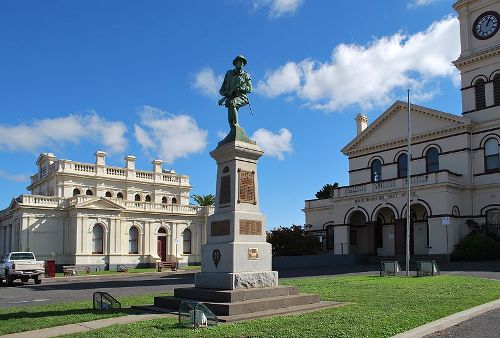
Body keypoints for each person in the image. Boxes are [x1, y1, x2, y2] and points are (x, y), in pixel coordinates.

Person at [218, 55, 252, 129]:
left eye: (242, 62)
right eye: (239, 62)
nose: (241, 64)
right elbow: (221, 90)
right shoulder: (229, 74)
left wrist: (242, 88)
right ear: (235, 63)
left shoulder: (246, 75)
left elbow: (250, 89)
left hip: (241, 97)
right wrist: (226, 93)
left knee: (233, 103)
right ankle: (233, 130)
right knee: (230, 119)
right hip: (229, 97)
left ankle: (237, 125)